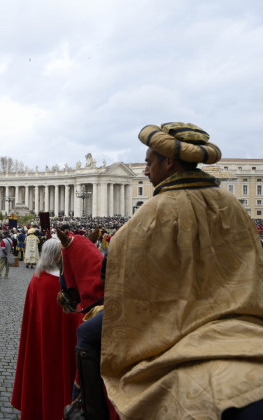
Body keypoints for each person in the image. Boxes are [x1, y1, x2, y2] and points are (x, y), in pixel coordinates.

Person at [100, 123, 263, 418]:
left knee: (87, 337)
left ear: (169, 162)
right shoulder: (231, 203)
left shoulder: (154, 209)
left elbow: (117, 266)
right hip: (239, 311)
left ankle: (89, 410)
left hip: (176, 317)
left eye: (149, 163)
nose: (146, 171)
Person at [11, 238, 81, 419]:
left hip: (43, 341)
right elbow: (74, 315)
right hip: (59, 344)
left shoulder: (37, 279)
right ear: (58, 255)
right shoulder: (60, 283)